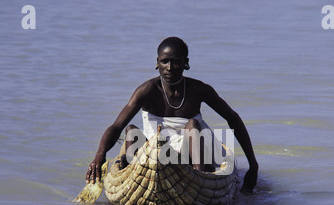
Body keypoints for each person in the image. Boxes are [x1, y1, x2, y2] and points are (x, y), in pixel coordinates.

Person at [86, 37, 258, 193]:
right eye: (164, 61)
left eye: (175, 62)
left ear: (186, 63)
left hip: (193, 151)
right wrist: (99, 154)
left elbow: (232, 118)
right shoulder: (147, 90)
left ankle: (200, 182)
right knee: (131, 130)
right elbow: (117, 126)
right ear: (157, 63)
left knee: (191, 125)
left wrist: (253, 164)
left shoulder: (198, 89)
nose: (169, 67)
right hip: (158, 151)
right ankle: (132, 184)